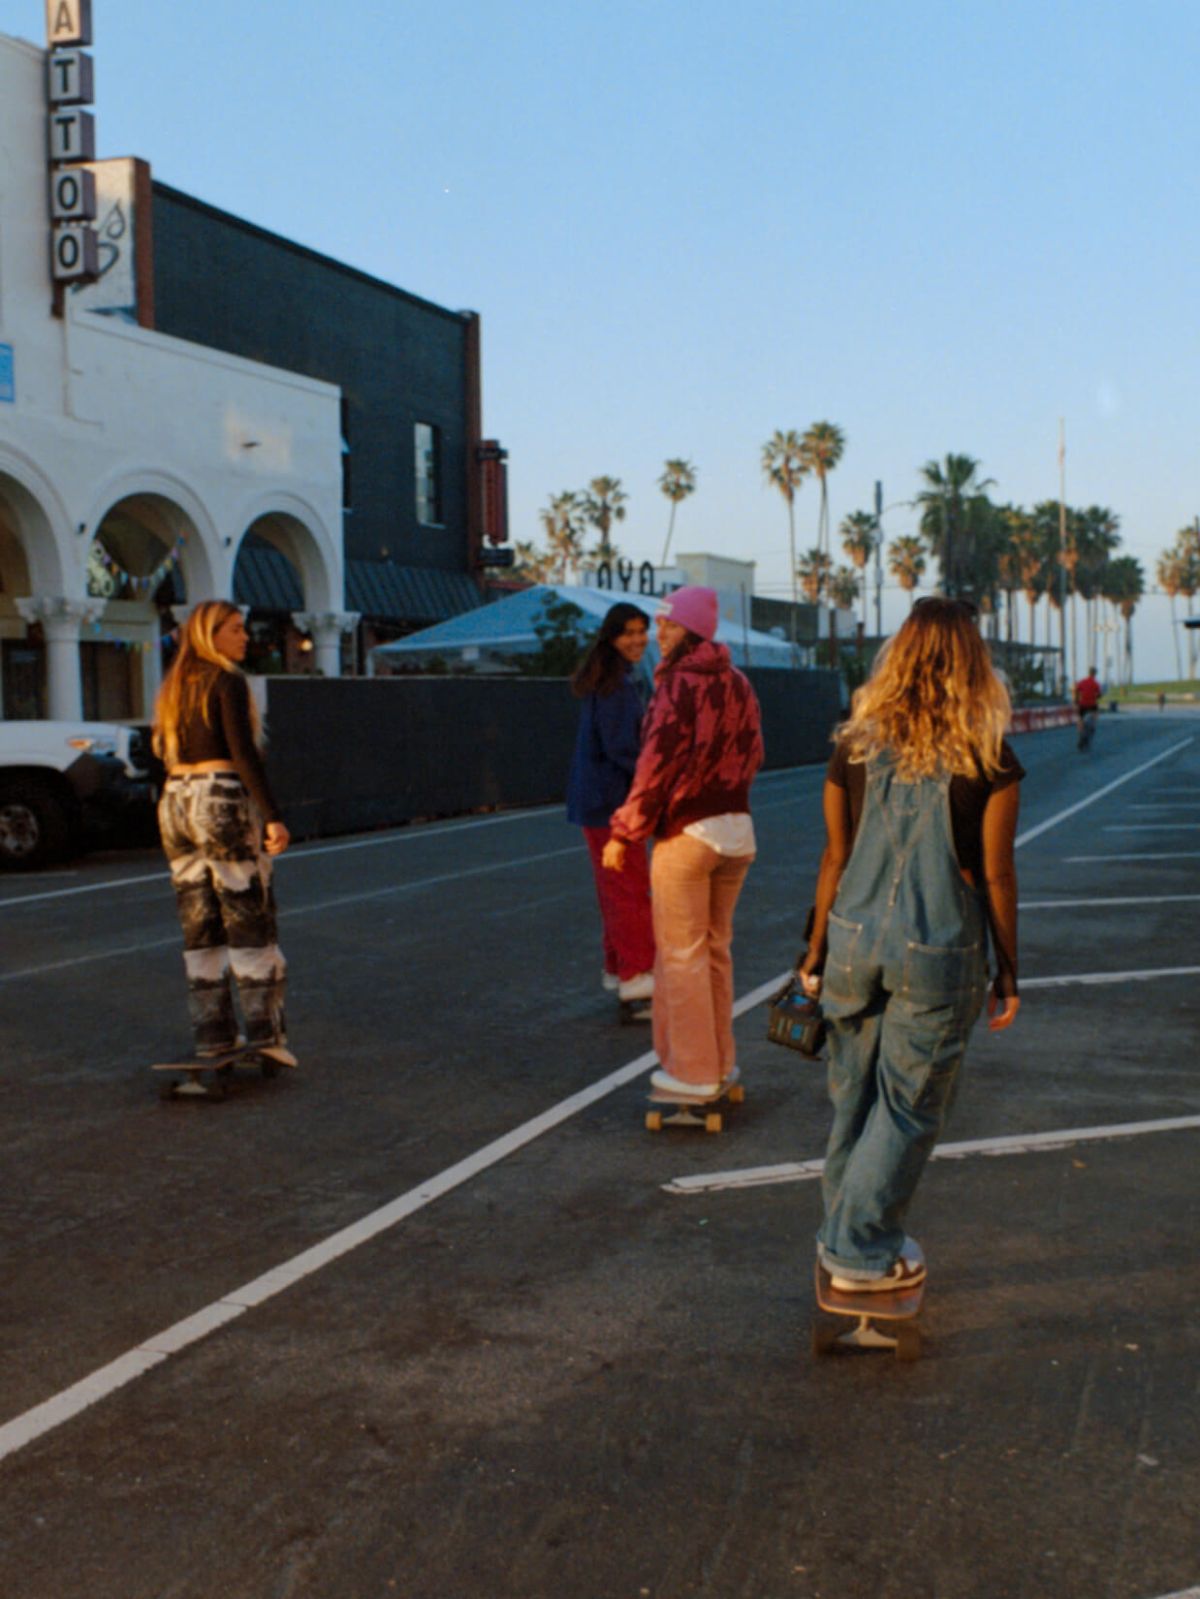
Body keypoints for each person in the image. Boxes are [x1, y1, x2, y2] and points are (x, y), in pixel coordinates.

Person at [798, 596, 1022, 1292]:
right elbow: (994, 873)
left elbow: (834, 858)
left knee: (856, 1102)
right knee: (908, 1107)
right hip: (939, 949)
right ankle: (859, 1253)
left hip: (851, 940)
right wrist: (1008, 971)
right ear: (973, 663)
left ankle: (845, 1238)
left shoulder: (855, 746)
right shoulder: (989, 757)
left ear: (898, 655)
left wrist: (811, 954)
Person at [603, 586, 764, 1096]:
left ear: (689, 628)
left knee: (680, 956)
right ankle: (719, 1063)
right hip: (737, 830)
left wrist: (624, 832)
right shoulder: (739, 682)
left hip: (688, 834)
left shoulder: (677, 685)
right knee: (715, 951)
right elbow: (755, 751)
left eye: (668, 624)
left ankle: (691, 1072)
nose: (659, 633)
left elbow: (655, 765)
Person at [152, 600, 294, 1065]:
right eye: (235, 629)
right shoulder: (226, 680)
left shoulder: (173, 688)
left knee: (200, 924)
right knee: (247, 916)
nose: (245, 637)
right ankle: (264, 1035)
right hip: (220, 800)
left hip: (175, 801)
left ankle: (212, 1035)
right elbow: (242, 753)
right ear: (210, 637)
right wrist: (272, 814)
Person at [565, 602, 656, 1007]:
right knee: (629, 889)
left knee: (614, 890)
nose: (637, 640)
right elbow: (624, 749)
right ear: (611, 637)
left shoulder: (609, 677)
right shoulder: (617, 685)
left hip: (597, 801)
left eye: (642, 631)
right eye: (628, 633)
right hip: (611, 804)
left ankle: (619, 968)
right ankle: (636, 972)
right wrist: (655, 787)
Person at [1074, 665, 1102, 748]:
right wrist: (1096, 696)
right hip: (1092, 704)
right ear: (1095, 674)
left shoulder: (1082, 682)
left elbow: (1076, 690)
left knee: (1080, 719)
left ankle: (1080, 733)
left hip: (1082, 704)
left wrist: (1076, 700)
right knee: (1094, 718)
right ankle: (1092, 728)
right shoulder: (1096, 683)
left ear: (1088, 673)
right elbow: (1099, 694)